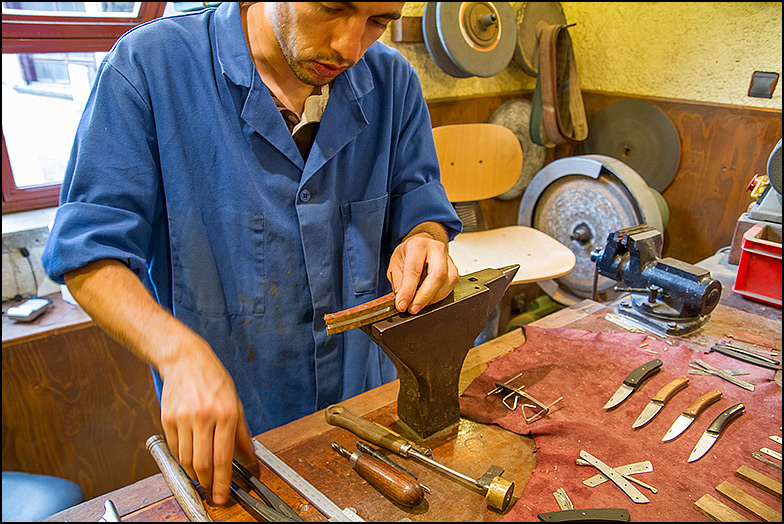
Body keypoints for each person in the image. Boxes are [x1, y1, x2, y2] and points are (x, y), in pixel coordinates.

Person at [42, 1, 462, 506]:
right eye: (332, 7)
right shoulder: (150, 69)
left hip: (366, 422)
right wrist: (177, 355)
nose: (350, 47)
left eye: (379, 21)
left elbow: (421, 203)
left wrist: (425, 238)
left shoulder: (393, 82)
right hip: (238, 446)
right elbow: (88, 255)